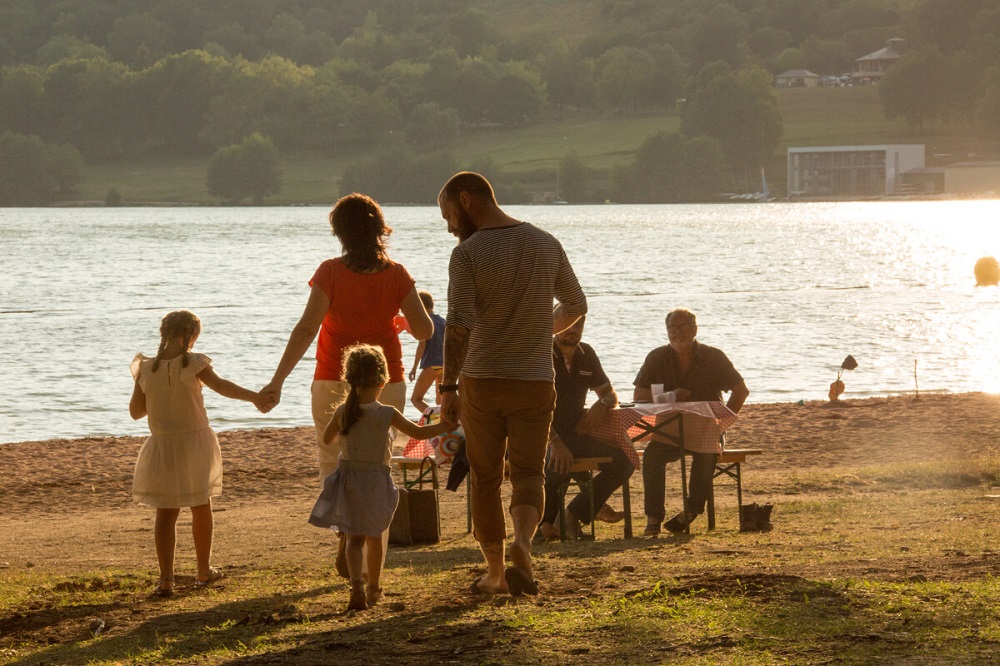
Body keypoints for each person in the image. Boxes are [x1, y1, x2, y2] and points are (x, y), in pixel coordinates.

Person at [258, 193, 434, 574]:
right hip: (387, 382)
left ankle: (344, 536)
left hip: (332, 380)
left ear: (339, 232)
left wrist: (277, 381)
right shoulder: (398, 274)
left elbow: (307, 328)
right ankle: (372, 567)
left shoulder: (330, 272)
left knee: (333, 462)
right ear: (378, 230)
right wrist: (398, 322)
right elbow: (425, 328)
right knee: (377, 466)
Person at [438, 171, 587, 597]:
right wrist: (544, 330)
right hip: (536, 379)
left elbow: (460, 326)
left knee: (485, 478)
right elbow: (577, 303)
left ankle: (496, 573)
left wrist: (448, 387)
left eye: (447, 214)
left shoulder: (467, 253)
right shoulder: (545, 242)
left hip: (482, 380)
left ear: (466, 200)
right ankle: (523, 544)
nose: (449, 225)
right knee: (528, 473)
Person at [308, 344, 454, 611]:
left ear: (348, 379)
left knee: (353, 538)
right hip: (376, 480)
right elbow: (419, 434)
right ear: (383, 380)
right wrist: (445, 425)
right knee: (375, 536)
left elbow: (327, 438)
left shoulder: (343, 411)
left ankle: (356, 586)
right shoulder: (387, 413)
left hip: (350, 479)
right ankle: (374, 587)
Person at [129, 310, 263, 597]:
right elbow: (223, 387)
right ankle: (203, 570)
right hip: (194, 441)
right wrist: (256, 397)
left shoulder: (146, 367)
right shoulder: (194, 363)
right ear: (189, 336)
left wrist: (154, 392)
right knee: (200, 504)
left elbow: (136, 412)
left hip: (162, 444)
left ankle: (166, 579)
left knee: (165, 512)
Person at [633, 308, 749, 536]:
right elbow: (638, 395)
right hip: (671, 429)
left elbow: (741, 390)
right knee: (652, 456)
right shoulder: (656, 357)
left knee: (706, 455)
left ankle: (690, 512)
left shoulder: (713, 356)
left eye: (683, 326)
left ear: (695, 329)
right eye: (672, 328)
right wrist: (670, 395)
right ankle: (653, 518)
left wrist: (723, 421)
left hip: (708, 428)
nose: (677, 332)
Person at [537, 316, 633, 540]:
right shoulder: (540, 353)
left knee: (624, 461)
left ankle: (574, 513)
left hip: (574, 434)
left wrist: (602, 403)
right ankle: (545, 526)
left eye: (578, 325)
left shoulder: (586, 354)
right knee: (557, 464)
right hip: (541, 434)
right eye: (567, 324)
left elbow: (610, 394)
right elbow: (531, 408)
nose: (573, 329)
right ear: (553, 324)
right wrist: (555, 442)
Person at [407, 290, 447, 415]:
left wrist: (414, 368)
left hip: (432, 364)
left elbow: (422, 344)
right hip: (445, 365)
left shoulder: (425, 322)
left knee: (416, 399)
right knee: (441, 402)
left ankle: (433, 419)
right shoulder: (443, 321)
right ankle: (443, 426)